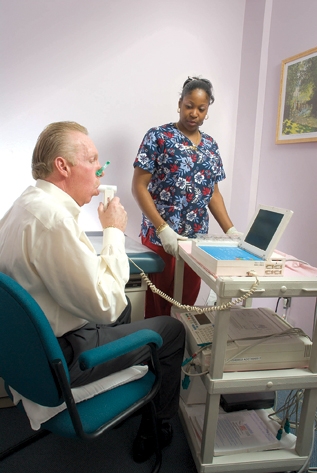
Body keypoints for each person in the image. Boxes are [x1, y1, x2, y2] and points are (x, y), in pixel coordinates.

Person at [0, 121, 185, 463]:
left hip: (31, 352)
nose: (100, 170)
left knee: (127, 314)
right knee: (171, 331)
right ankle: (157, 424)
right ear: (63, 166)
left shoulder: (25, 204)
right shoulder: (54, 220)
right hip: (64, 358)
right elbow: (107, 306)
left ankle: (132, 392)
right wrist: (113, 232)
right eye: (93, 160)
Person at [132, 76, 240, 318]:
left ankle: (179, 354)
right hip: (161, 239)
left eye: (201, 109)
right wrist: (162, 229)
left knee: (185, 308)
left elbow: (212, 192)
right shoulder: (158, 136)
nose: (194, 113)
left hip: (195, 242)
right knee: (155, 307)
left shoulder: (211, 145)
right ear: (179, 103)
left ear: (207, 111)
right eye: (189, 105)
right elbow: (139, 186)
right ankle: (152, 355)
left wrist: (231, 231)